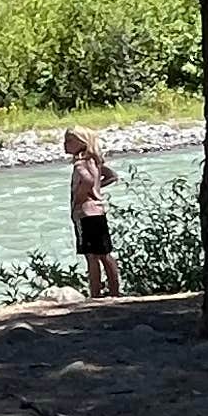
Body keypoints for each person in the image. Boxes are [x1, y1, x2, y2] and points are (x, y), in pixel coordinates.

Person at [64, 127, 122, 297]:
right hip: (98, 212)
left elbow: (88, 180)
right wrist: (98, 189)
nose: (64, 145)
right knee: (105, 254)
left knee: (91, 256)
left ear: (81, 142)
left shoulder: (80, 163)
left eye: (69, 141)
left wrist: (82, 195)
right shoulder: (95, 161)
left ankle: (95, 294)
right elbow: (112, 176)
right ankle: (115, 292)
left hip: (85, 213)